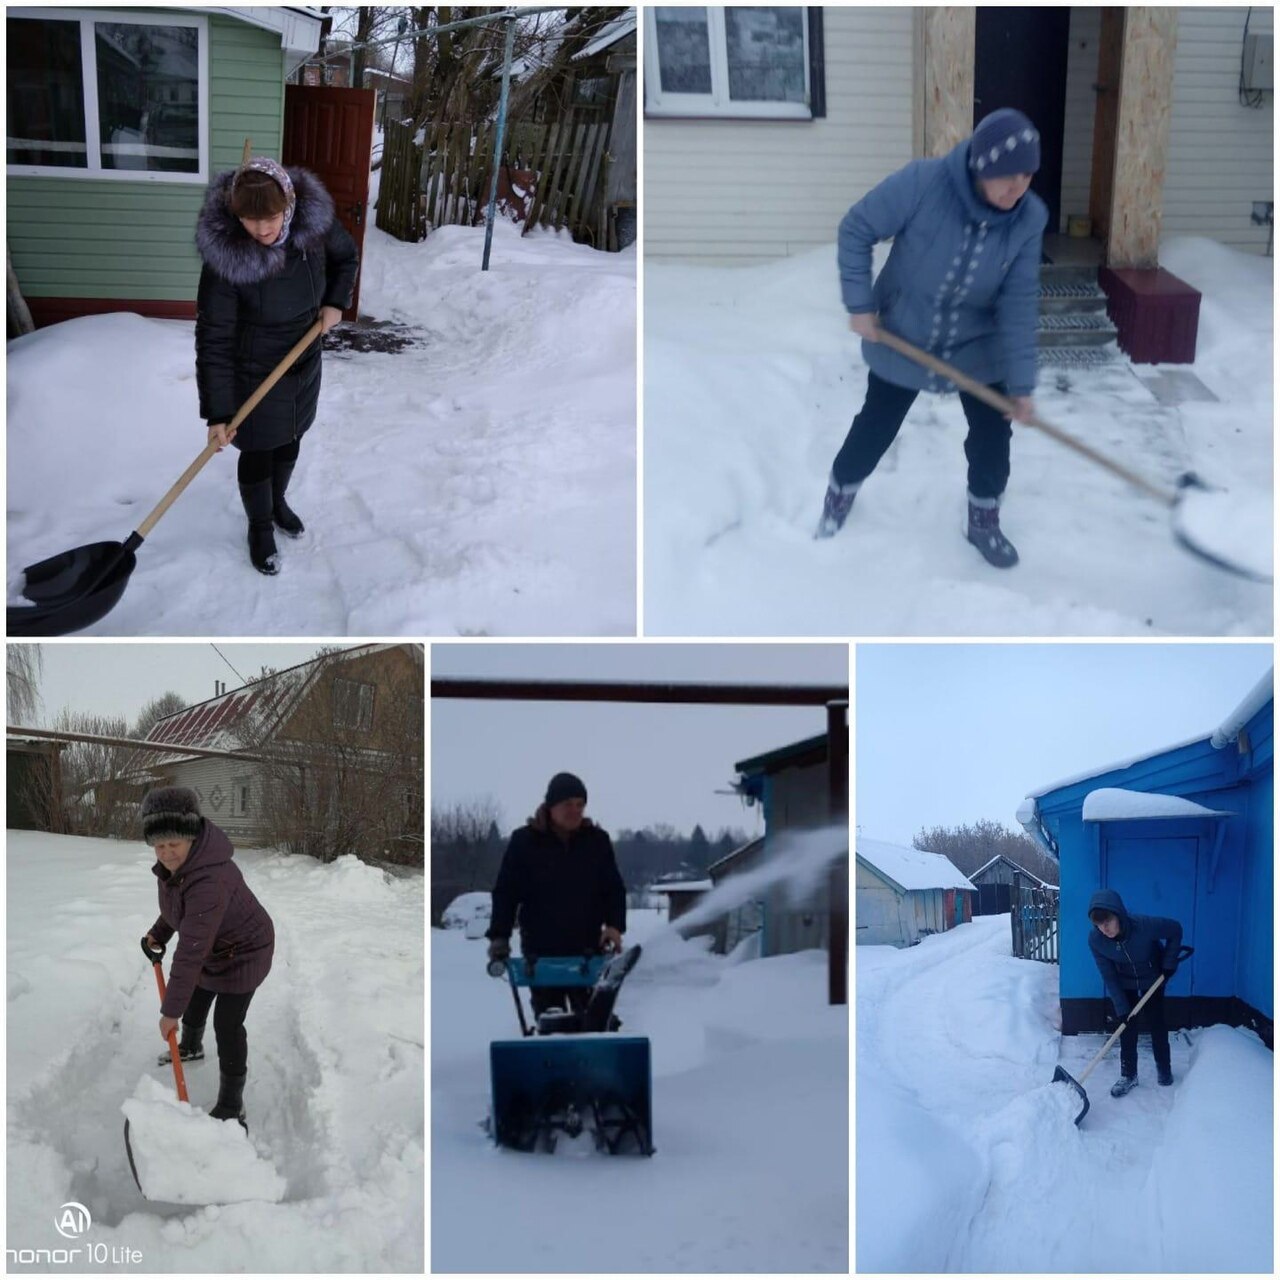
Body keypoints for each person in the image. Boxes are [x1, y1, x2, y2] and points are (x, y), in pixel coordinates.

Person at [817, 107, 1049, 568]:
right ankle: (839, 493)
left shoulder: (1029, 219)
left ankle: (983, 520)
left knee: (991, 436)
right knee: (876, 425)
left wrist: (1021, 385)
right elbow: (857, 228)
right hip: (905, 331)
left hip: (978, 346)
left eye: (1026, 174)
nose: (1018, 186)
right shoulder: (924, 184)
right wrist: (860, 304)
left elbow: (1019, 302)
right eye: (1007, 175)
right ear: (983, 166)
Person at [195, 155, 359, 575]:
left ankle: (278, 500)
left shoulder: (313, 230)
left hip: (304, 361)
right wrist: (219, 412)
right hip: (254, 374)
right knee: (258, 449)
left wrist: (335, 302)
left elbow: (346, 258)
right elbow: (214, 336)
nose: (262, 229)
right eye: (250, 220)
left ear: (289, 204)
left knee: (291, 436)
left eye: (270, 217)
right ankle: (260, 525)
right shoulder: (228, 260)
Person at [139, 786, 275, 1125]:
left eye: (174, 844)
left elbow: (191, 952)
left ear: (192, 837)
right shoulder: (178, 868)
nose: (167, 854)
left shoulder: (210, 879)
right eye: (159, 845)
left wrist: (170, 1011)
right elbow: (181, 912)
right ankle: (191, 1046)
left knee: (227, 1024)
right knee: (197, 998)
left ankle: (232, 1105)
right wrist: (159, 931)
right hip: (216, 946)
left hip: (245, 952)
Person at [486, 772, 627, 1017]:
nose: (575, 810)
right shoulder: (525, 842)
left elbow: (613, 889)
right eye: (568, 804)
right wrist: (500, 937)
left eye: (580, 805)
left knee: (594, 1020)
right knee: (552, 1021)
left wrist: (614, 926)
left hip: (587, 949)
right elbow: (506, 893)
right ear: (551, 807)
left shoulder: (597, 842)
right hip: (541, 953)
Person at [1087, 888, 1184, 1097]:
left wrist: (1168, 964)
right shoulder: (1096, 940)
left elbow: (1175, 930)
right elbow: (1109, 975)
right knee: (1126, 1027)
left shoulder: (1144, 926)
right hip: (1125, 982)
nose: (1105, 929)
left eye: (1108, 922)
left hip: (1153, 977)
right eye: (1098, 925)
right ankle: (1128, 1074)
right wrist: (1122, 1008)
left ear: (1119, 915)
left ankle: (1164, 1069)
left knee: (1156, 1022)